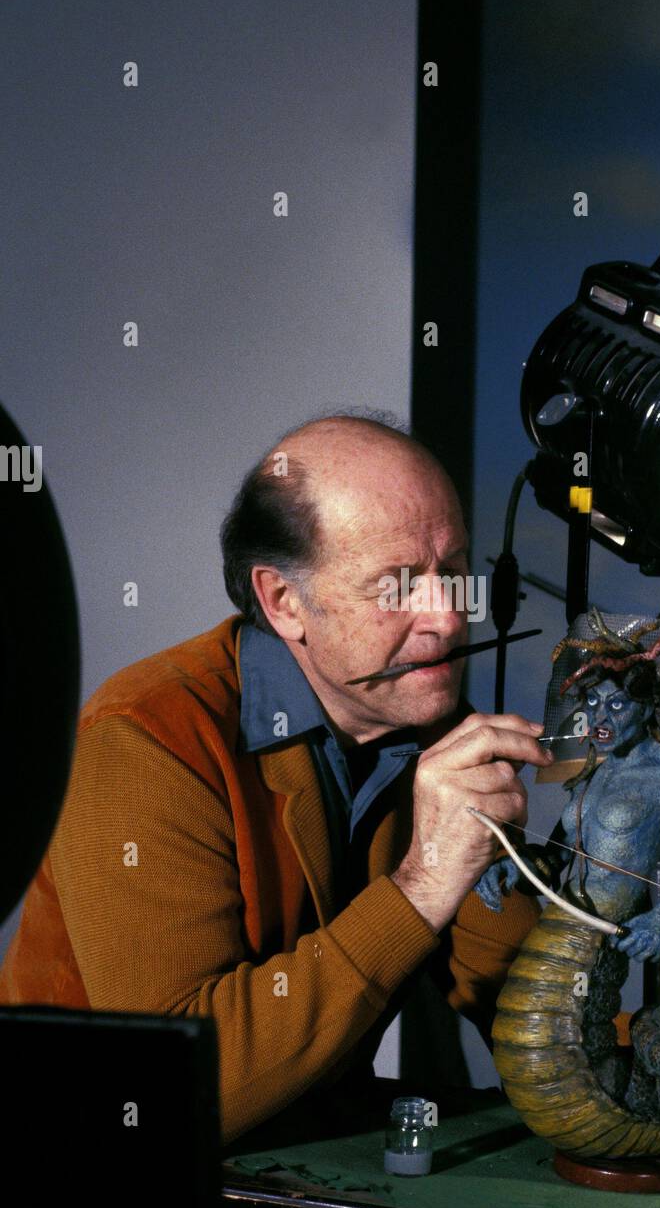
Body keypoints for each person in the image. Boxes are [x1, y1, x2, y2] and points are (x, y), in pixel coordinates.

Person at [0, 413, 554, 1166]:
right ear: (283, 601)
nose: (450, 618)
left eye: (453, 571)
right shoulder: (143, 736)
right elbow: (176, 1090)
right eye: (397, 586)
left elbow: (530, 998)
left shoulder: (422, 715)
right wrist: (421, 887)